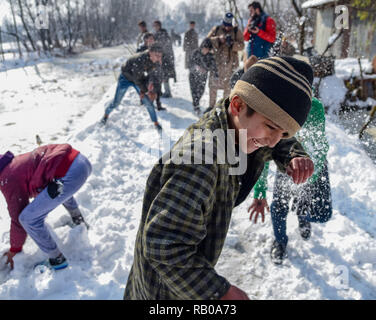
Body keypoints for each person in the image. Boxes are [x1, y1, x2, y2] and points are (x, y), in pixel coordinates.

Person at [124, 56, 315, 300]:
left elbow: (275, 138)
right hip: (164, 293)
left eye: (284, 132)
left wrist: (294, 154)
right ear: (237, 105)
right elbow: (165, 246)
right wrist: (218, 293)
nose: (274, 140)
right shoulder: (200, 160)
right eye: (270, 127)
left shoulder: (237, 128)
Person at [248, 82, 332, 265]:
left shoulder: (315, 107)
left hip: (313, 166)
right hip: (287, 163)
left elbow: (319, 146)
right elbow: (262, 155)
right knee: (279, 206)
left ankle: (303, 214)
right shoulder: (276, 112)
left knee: (322, 212)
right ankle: (280, 241)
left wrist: (309, 177)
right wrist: (260, 192)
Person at [0, 144, 91, 270]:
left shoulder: (7, 178)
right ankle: (79, 221)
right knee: (54, 188)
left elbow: (17, 218)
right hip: (81, 161)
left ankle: (57, 260)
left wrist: (14, 249)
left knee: (28, 219)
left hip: (70, 175)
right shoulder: (17, 162)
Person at [100, 45, 164, 131]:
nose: (158, 58)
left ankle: (155, 122)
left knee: (148, 103)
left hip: (138, 78)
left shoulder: (155, 60)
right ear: (150, 52)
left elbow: (152, 76)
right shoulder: (140, 60)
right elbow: (137, 79)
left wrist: (152, 89)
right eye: (157, 56)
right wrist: (144, 91)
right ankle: (105, 115)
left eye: (160, 56)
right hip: (126, 78)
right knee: (116, 102)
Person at [207, 12, 244, 109]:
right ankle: (211, 107)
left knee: (228, 88)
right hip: (217, 64)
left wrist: (232, 43)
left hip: (231, 64)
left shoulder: (236, 31)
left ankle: (224, 109)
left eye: (229, 26)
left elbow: (242, 46)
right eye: (226, 25)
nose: (227, 28)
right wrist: (218, 39)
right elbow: (207, 41)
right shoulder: (216, 29)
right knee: (213, 87)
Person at [188, 38, 218, 115]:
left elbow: (214, 66)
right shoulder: (195, 53)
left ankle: (196, 102)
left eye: (207, 49)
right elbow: (190, 63)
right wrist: (196, 67)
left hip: (203, 77)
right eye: (204, 48)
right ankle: (196, 105)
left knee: (201, 91)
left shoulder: (210, 56)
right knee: (194, 91)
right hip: (193, 75)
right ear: (201, 47)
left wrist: (215, 75)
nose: (205, 50)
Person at [136, 33, 166, 111]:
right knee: (146, 87)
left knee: (158, 87)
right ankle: (144, 101)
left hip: (157, 70)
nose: (151, 40)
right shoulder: (141, 49)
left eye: (152, 39)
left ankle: (158, 104)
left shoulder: (157, 47)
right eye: (149, 39)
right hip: (146, 71)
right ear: (145, 40)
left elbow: (162, 57)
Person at [153, 20, 176, 98]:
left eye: (156, 25)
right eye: (154, 26)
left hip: (165, 57)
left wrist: (163, 55)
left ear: (159, 26)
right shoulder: (155, 35)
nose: (155, 27)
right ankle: (161, 91)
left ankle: (167, 92)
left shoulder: (163, 34)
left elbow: (166, 46)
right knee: (159, 75)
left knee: (164, 75)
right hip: (159, 57)